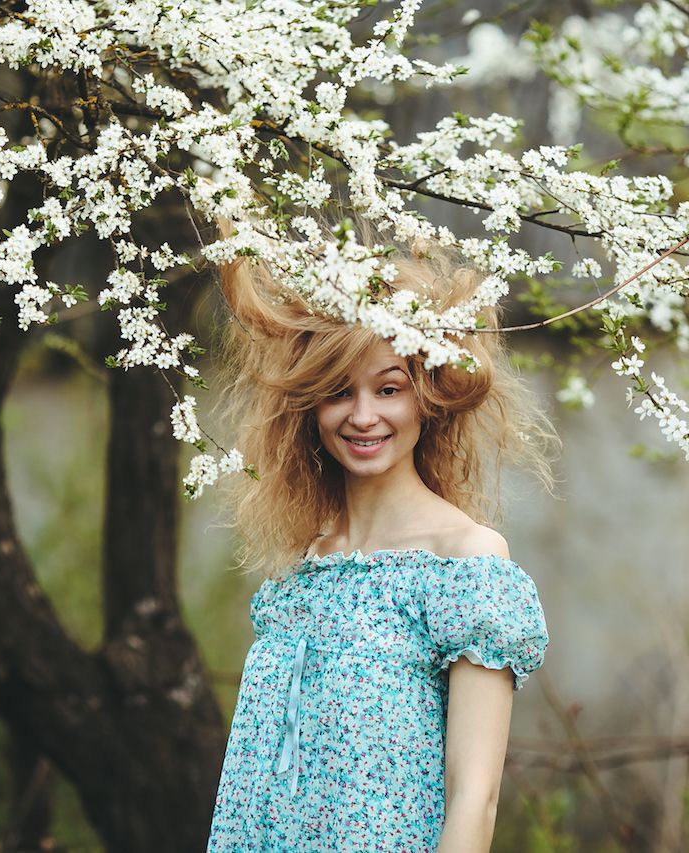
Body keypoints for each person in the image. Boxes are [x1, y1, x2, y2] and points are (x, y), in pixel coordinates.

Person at [206, 223, 558, 852]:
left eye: (388, 389)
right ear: (310, 407)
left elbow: (474, 800)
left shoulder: (465, 564)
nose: (363, 415)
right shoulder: (300, 572)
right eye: (339, 391)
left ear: (425, 399)